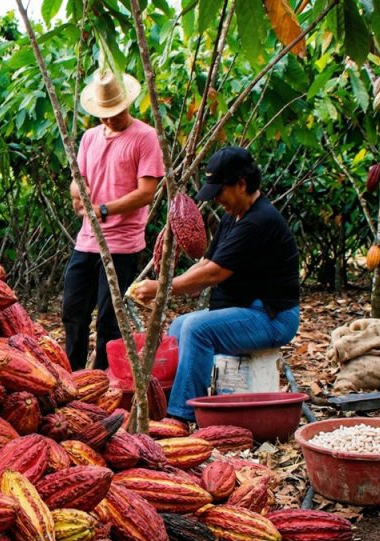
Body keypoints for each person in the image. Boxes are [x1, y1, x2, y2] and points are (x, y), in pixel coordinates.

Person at [131, 146, 300, 422]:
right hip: (247, 309)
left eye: (220, 191)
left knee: (197, 329)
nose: (217, 199)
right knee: (179, 326)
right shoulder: (234, 218)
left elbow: (214, 273)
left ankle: (181, 416)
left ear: (241, 184)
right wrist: (169, 283)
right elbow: (206, 262)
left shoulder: (259, 221)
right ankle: (164, 403)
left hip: (273, 316)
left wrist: (162, 289)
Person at [62, 68, 166, 371]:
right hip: (87, 241)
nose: (110, 119)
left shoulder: (145, 137)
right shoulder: (90, 138)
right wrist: (77, 192)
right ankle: (73, 374)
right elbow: (79, 177)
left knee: (110, 320)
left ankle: (102, 379)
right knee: (73, 311)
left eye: (115, 113)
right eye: (104, 114)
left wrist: (104, 209)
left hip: (122, 244)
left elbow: (146, 192)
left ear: (127, 104)